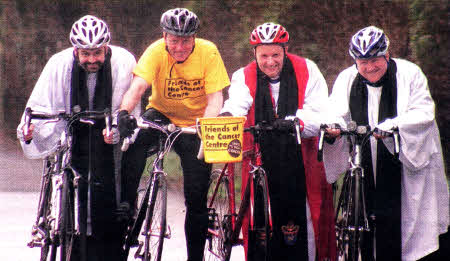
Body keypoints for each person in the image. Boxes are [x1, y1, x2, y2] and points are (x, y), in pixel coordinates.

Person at [17, 15, 140, 260]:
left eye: (97, 53)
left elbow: (129, 107)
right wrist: (30, 131)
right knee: (70, 165)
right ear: (75, 50)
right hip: (71, 126)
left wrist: (117, 128)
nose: (92, 60)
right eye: (86, 54)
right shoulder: (58, 63)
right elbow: (39, 105)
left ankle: (110, 234)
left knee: (115, 175)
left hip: (105, 127)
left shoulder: (124, 61)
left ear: (107, 48)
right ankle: (59, 223)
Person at [322, 25, 449, 260]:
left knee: (410, 221)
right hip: (366, 156)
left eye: (375, 60)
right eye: (363, 62)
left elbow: (423, 112)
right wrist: (333, 127)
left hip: (404, 158)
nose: (369, 67)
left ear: (386, 54)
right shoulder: (347, 78)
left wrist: (393, 126)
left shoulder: (409, 74)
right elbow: (335, 110)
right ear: (355, 62)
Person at [117, 8, 230, 261]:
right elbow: (138, 87)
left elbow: (215, 98)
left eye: (186, 40)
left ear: (195, 38)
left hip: (196, 123)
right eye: (174, 40)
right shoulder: (156, 50)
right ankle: (127, 204)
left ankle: (195, 257)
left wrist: (206, 124)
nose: (180, 47)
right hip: (161, 113)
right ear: (165, 36)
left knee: (196, 197)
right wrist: (124, 112)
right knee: (134, 144)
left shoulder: (208, 52)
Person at [220, 22, 336, 261]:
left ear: (285, 50)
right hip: (261, 154)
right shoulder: (244, 75)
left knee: (304, 220)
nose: (270, 61)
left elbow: (320, 110)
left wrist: (297, 121)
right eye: (264, 55)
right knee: (259, 222)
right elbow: (238, 102)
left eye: (276, 54)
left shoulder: (307, 69)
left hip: (300, 156)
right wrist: (228, 116)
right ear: (254, 53)